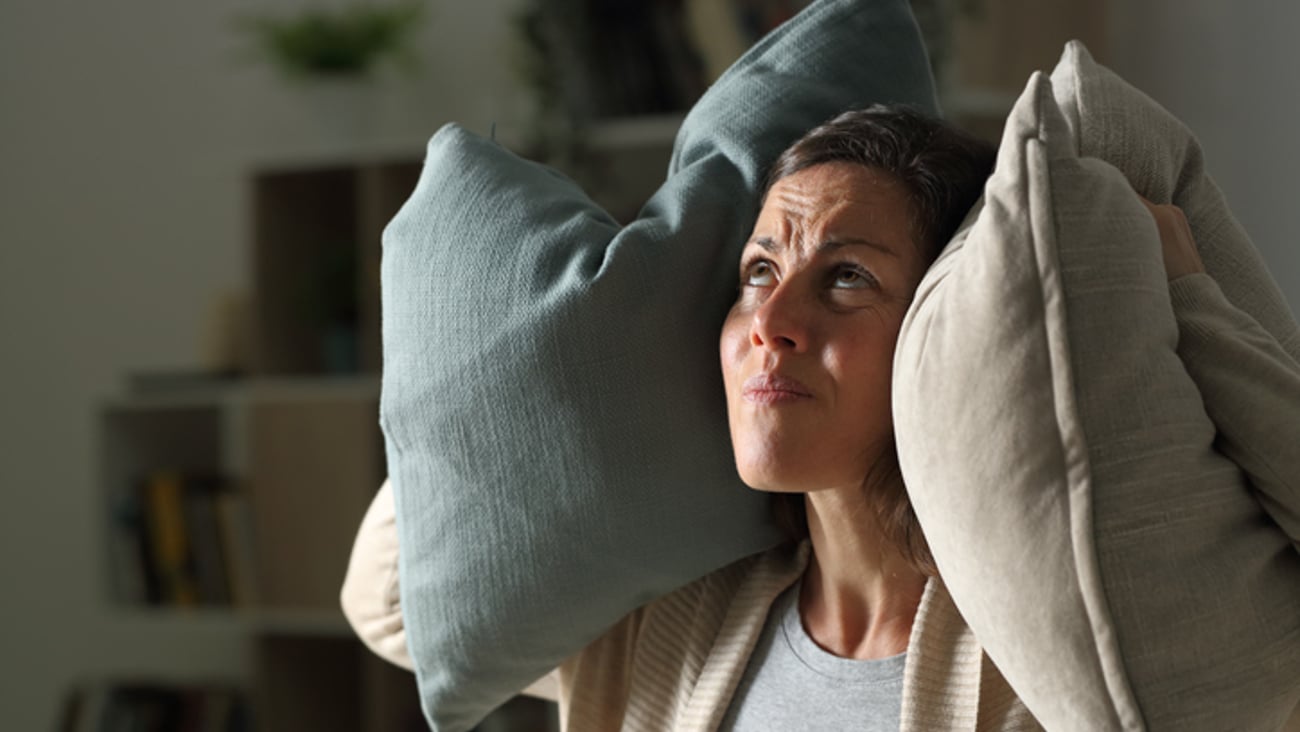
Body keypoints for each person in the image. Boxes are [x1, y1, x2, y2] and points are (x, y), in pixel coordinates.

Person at [340, 104, 1209, 731]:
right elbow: (391, 604)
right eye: (758, 272)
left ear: (945, 327)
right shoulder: (671, 622)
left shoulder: (1047, 654)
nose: (770, 322)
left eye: (846, 277)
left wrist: (1189, 297)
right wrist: (587, 346)